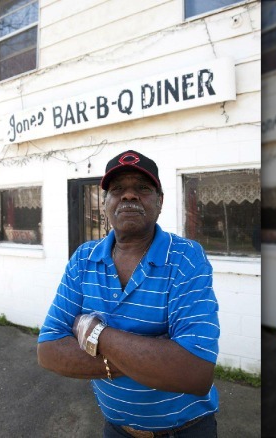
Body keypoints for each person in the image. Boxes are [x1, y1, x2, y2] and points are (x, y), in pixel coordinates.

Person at [37, 150, 220, 437]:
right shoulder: (84, 259)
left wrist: (93, 332)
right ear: (105, 202)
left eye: (143, 188)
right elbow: (48, 351)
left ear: (160, 201)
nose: (129, 196)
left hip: (186, 430)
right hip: (117, 430)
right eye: (118, 189)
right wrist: (153, 355)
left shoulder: (186, 258)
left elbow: (194, 371)